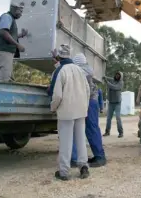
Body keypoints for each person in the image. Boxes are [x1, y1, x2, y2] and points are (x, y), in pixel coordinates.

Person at [50, 44, 90, 181]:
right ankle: (83, 167)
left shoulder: (61, 71)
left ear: (60, 56)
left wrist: (53, 108)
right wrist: (85, 106)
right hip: (81, 109)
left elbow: (57, 96)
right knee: (80, 140)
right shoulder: (80, 70)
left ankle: (64, 172)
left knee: (66, 142)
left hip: (66, 111)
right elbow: (87, 90)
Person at [70, 53, 107, 168]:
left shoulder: (84, 71)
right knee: (87, 129)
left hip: (90, 102)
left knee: (91, 129)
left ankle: (100, 157)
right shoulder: (86, 68)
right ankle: (97, 156)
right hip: (89, 101)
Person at [0, 3, 28, 82]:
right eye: (20, 11)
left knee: (9, 78)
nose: (21, 14)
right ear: (15, 10)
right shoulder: (7, 17)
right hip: (4, 50)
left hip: (7, 51)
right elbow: (3, 32)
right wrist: (17, 45)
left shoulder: (10, 18)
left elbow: (10, 35)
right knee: (3, 77)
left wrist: (21, 35)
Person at [103, 71, 124, 138]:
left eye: (118, 75)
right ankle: (107, 131)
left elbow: (115, 87)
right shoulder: (113, 80)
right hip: (111, 102)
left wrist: (107, 82)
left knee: (118, 118)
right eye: (116, 75)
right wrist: (104, 77)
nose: (117, 76)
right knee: (108, 118)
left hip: (117, 103)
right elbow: (108, 78)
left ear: (120, 77)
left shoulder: (121, 82)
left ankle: (121, 132)